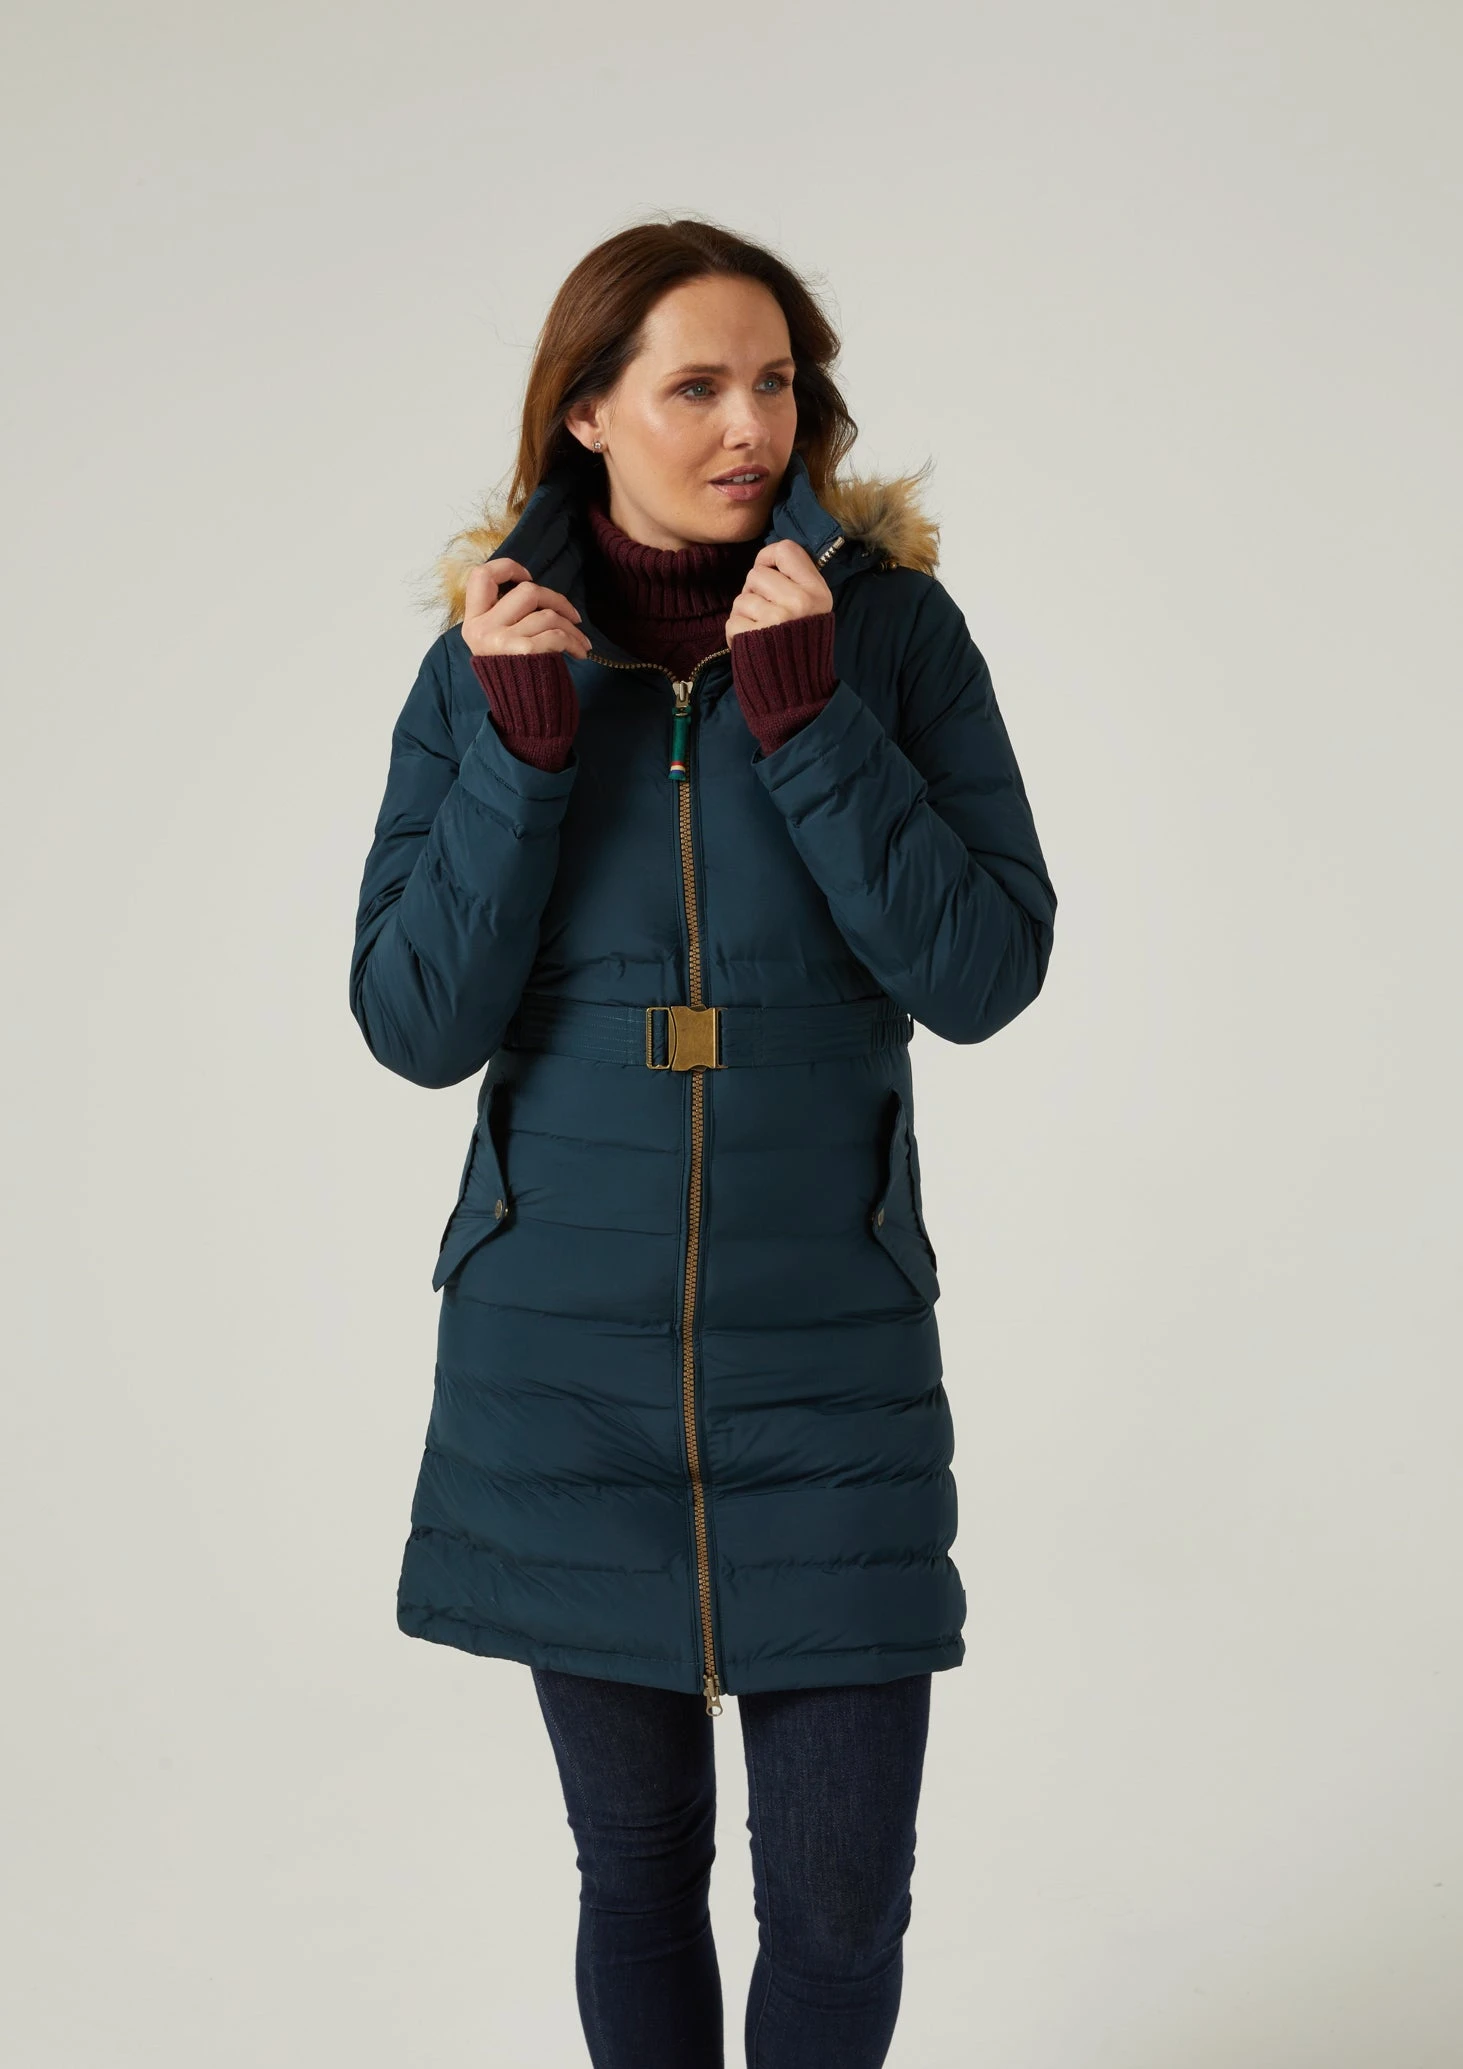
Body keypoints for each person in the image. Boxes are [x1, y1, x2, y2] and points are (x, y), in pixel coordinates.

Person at [349, 214, 1057, 2069]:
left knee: (837, 1906)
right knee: (638, 1872)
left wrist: (810, 725)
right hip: (558, 1363)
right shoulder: (486, 662)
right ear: (585, 413)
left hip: (827, 1355)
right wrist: (519, 754)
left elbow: (983, 973)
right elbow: (413, 1024)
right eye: (695, 386)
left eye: (777, 383)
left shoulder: (887, 636)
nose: (751, 425)